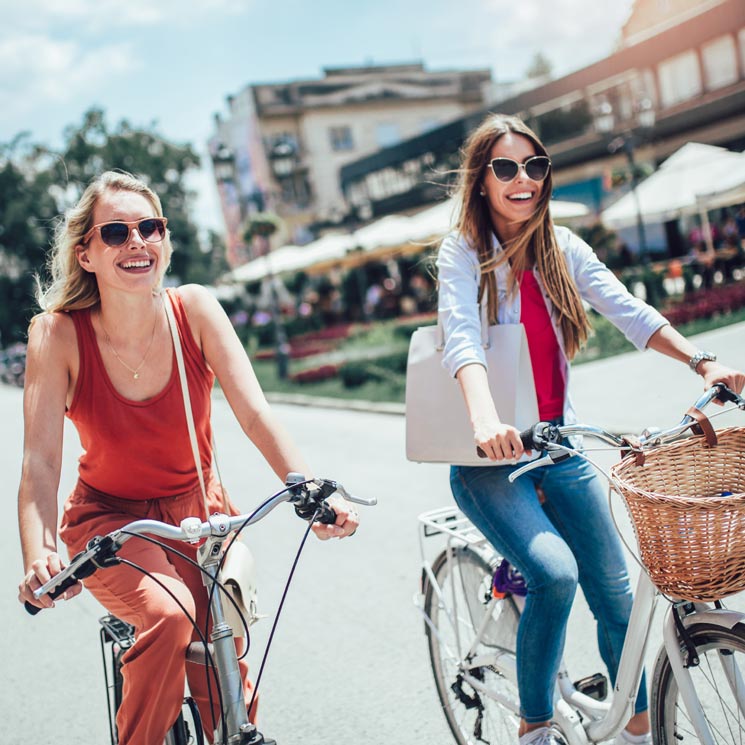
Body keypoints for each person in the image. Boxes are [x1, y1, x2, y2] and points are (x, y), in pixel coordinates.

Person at [16, 171, 359, 745]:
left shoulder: (194, 310)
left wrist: (313, 489)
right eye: (117, 231)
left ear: (165, 240)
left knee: (226, 686)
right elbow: (40, 462)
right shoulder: (57, 336)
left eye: (150, 227)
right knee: (168, 617)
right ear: (87, 253)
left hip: (202, 518)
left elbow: (254, 413)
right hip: (112, 525)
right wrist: (41, 552)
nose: (137, 242)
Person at [436, 114, 745, 745]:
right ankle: (535, 725)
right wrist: (485, 418)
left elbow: (628, 310)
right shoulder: (463, 253)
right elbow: (461, 338)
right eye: (505, 168)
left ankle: (635, 725)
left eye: (534, 166)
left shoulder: (561, 248)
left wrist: (699, 359)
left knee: (616, 591)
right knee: (555, 573)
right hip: (490, 459)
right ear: (482, 181)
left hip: (559, 444)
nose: (523, 179)